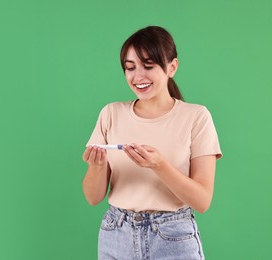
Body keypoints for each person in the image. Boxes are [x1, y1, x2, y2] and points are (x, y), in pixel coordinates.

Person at [82, 26, 222, 260]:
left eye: (148, 66)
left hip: (173, 237)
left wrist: (159, 166)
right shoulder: (110, 114)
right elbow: (93, 197)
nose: (138, 77)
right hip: (116, 234)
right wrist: (97, 166)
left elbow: (202, 201)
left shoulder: (196, 117)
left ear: (172, 67)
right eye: (130, 67)